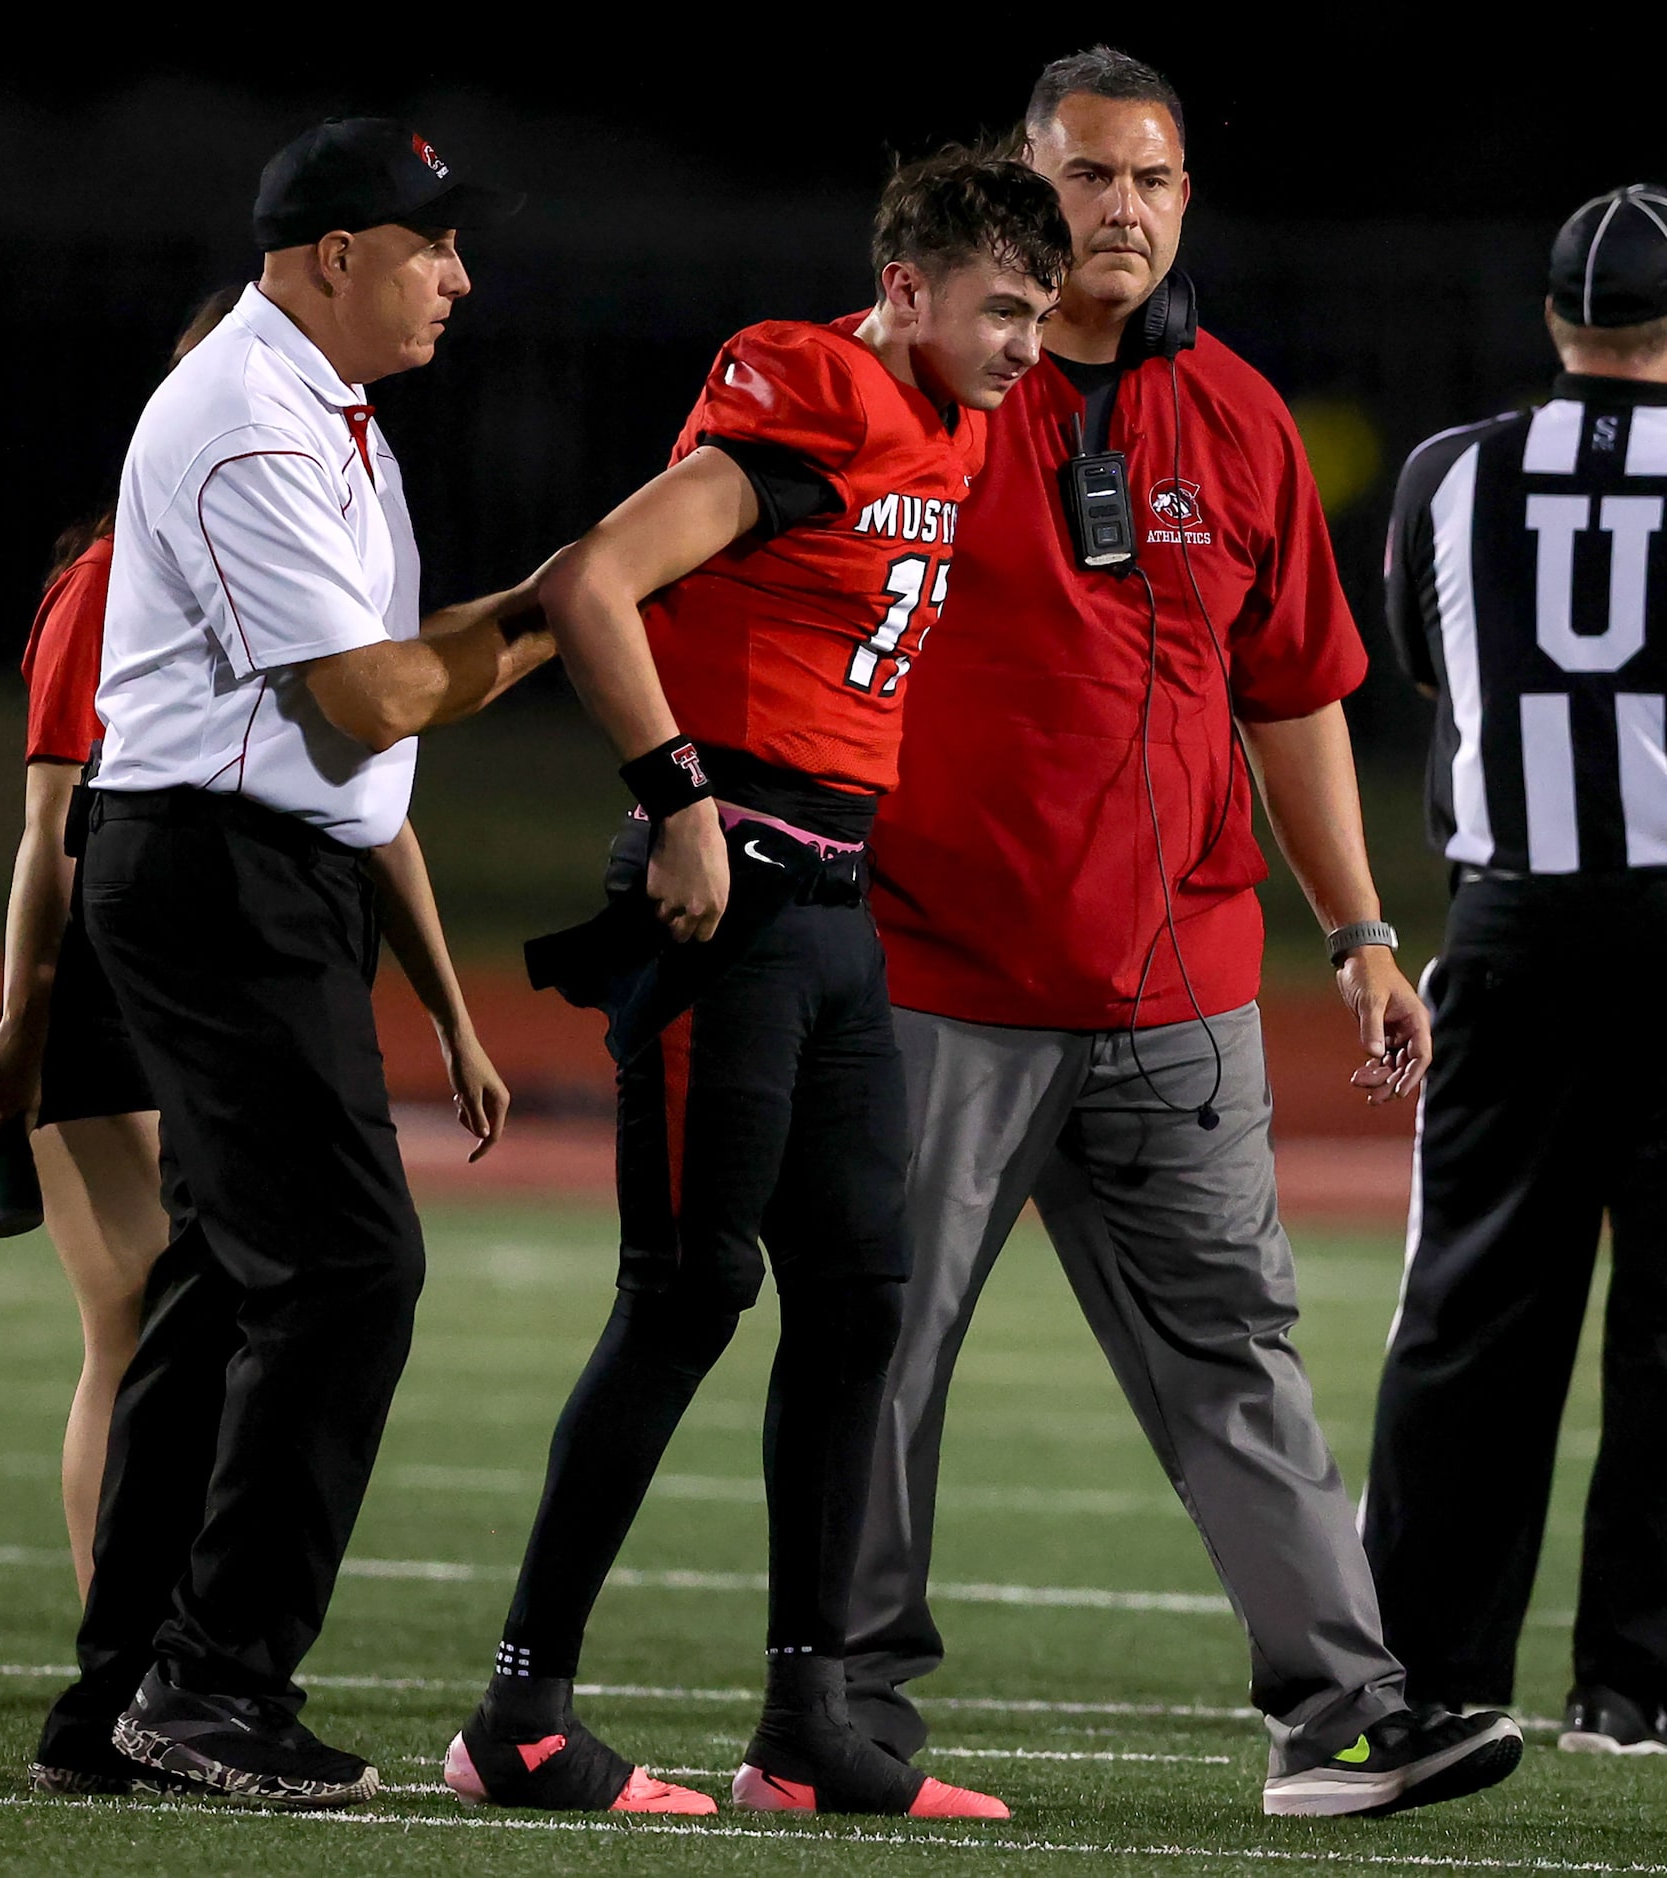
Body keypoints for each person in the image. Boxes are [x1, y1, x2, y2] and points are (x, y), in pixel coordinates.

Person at [841, 48, 1522, 1819]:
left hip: (1183, 989)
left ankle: (1344, 1710)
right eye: (1086, 179)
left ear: (1184, 199)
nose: (1119, 210)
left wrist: (1362, 926)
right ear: (1022, 181)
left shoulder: (1239, 414)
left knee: (1239, 1353)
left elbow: (1294, 695)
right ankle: (839, 1713)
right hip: (940, 977)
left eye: (1149, 180)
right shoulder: (904, 388)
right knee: (884, 1352)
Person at [439, 147, 1069, 1823]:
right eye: (1003, 309)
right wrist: (677, 798)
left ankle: (809, 1725)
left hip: (833, 909)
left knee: (863, 1293)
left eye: (1041, 311)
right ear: (912, 287)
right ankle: (518, 1714)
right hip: (729, 908)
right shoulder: (822, 390)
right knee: (688, 1290)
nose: (1025, 344)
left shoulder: (963, 421)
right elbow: (592, 581)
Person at [27, 117, 553, 1809]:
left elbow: (380, 687)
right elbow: (371, 698)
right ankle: (217, 1682)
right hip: (214, 876)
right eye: (432, 245)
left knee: (231, 1280)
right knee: (345, 1272)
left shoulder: (320, 412)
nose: (457, 276)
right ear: (337, 252)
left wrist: (535, 604)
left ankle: (119, 1694)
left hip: (248, 873)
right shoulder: (253, 419)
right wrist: (569, 614)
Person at [0, 284, 518, 1606]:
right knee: (140, 1311)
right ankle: (122, 1627)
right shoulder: (109, 580)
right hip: (111, 977)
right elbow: (52, 829)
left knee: (225, 1296)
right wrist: (28, 1023)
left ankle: (156, 1636)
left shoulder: (307, 571)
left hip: (213, 969)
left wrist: (452, 1011)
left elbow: (374, 807)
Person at [1361, 184, 1667, 1755]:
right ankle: (1636, 1678)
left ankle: (1421, 1669)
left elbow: (1427, 659)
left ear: (1557, 318)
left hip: (1518, 921)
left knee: (1475, 1305)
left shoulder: (1451, 469)